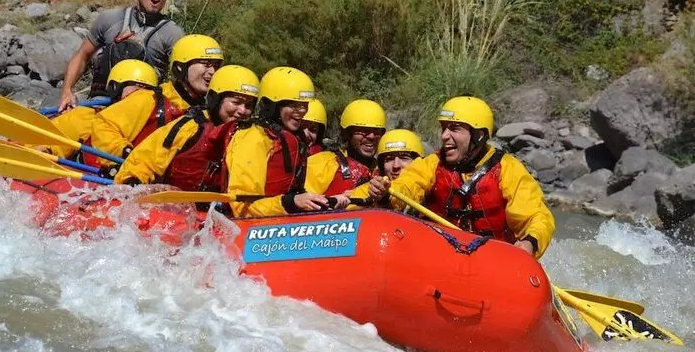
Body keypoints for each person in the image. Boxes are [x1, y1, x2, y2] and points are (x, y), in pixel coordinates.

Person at [362, 96, 555, 259]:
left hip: (493, 262)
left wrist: (530, 242)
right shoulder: (432, 164)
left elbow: (537, 217)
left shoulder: (507, 168)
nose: (445, 136)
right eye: (444, 128)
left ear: (478, 135)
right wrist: (386, 193)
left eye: (454, 129)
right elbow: (407, 185)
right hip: (439, 257)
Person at [219, 66, 349, 217]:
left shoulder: (293, 139)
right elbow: (241, 207)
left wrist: (327, 201)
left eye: (304, 104)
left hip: (278, 223)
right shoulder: (253, 138)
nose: (301, 111)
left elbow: (293, 196)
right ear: (273, 106)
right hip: (247, 228)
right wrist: (290, 202)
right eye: (293, 104)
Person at [57, 0, 184, 111]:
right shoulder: (110, 19)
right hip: (99, 103)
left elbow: (183, 80)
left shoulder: (173, 33)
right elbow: (82, 55)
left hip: (140, 112)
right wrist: (66, 91)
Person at [85, 34, 223, 169]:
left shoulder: (210, 113)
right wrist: (125, 154)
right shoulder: (149, 99)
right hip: (126, 176)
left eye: (216, 66)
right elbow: (104, 124)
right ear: (180, 66)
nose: (213, 72)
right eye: (206, 64)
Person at [113, 65, 260, 192]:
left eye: (248, 106)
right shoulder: (189, 126)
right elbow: (146, 159)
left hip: (220, 211)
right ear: (216, 99)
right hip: (175, 208)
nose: (242, 111)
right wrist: (132, 181)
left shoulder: (251, 136)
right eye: (236, 102)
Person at [45, 59, 158, 160]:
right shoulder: (159, 117)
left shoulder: (89, 116)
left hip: (101, 172)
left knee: (82, 116)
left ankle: (43, 149)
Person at [304, 99, 386, 197]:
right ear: (347, 133)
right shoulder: (321, 163)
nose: (371, 136)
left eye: (377, 131)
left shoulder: (385, 168)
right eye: (363, 130)